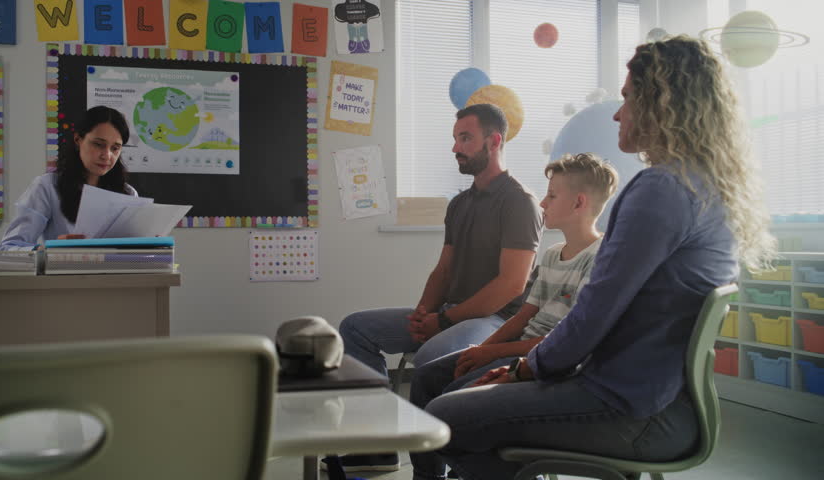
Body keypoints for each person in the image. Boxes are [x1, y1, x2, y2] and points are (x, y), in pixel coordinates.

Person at [415, 35, 778, 480]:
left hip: (632, 410)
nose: (618, 112)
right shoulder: (707, 188)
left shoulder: (661, 189)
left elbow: (590, 317)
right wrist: (523, 365)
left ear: (661, 103)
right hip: (657, 399)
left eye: (627, 98)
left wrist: (523, 369)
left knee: (445, 414)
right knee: (447, 390)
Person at [331, 103, 543, 472]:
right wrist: (423, 314)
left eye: (465, 138)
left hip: (496, 321)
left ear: (493, 142)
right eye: (455, 138)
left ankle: (435, 467)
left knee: (431, 359)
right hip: (451, 315)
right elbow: (444, 269)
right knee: (356, 328)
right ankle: (379, 445)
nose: (455, 147)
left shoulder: (519, 202)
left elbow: (511, 285)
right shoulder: (459, 203)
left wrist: (443, 322)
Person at [408, 152, 618, 480]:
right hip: (515, 347)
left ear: (578, 203)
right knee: (424, 379)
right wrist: (479, 351)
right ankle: (426, 475)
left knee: (455, 395)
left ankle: (467, 469)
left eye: (551, 196)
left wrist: (490, 353)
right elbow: (523, 317)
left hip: (541, 359)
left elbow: (563, 341)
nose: (544, 204)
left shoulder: (600, 259)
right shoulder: (550, 255)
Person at [0, 106, 136, 251]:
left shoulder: (128, 194)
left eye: (115, 148)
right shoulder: (48, 186)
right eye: (98, 144)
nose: (107, 155)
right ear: (78, 140)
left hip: (116, 273)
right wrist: (49, 250)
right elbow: (7, 248)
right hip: (64, 272)